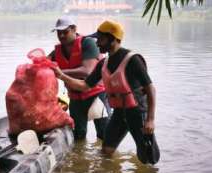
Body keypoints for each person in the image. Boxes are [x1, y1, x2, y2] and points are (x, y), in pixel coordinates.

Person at [52, 20, 158, 164]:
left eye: (101, 39)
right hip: (120, 113)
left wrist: (150, 119)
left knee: (147, 158)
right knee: (106, 151)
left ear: (114, 39)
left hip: (137, 112)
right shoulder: (104, 63)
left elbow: (150, 88)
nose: (97, 44)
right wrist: (62, 76)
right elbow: (85, 85)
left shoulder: (133, 60)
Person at [48, 16, 110, 141]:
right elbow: (44, 63)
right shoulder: (57, 51)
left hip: (96, 95)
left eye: (65, 32)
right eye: (59, 33)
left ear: (74, 29)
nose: (61, 36)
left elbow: (87, 71)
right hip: (75, 97)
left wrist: (61, 73)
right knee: (78, 136)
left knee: (105, 135)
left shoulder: (88, 43)